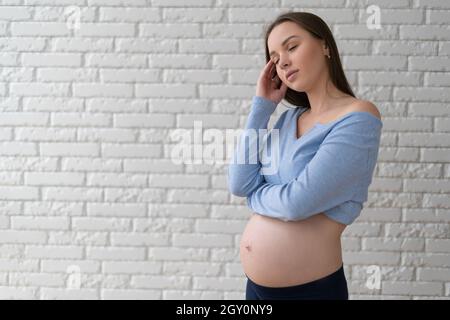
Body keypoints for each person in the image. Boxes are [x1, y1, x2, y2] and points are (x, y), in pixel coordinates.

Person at [227, 11, 383, 300]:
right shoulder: (288, 119)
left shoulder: (358, 116)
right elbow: (239, 182)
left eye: (292, 46)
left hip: (311, 292)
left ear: (325, 45)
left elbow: (296, 204)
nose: (282, 61)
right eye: (274, 57)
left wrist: (255, 197)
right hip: (256, 290)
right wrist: (261, 108)